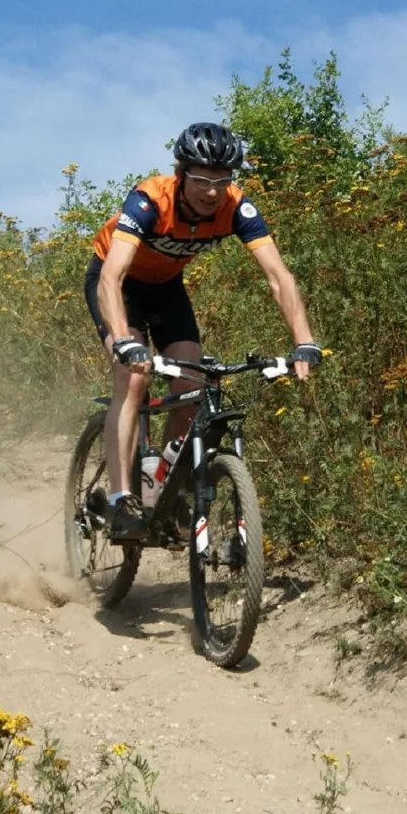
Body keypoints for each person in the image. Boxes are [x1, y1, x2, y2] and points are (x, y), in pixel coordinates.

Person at [85, 121, 322, 540]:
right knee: (133, 376)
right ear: (180, 174)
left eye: (221, 180)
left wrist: (304, 341)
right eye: (200, 180)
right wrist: (123, 340)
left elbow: (277, 276)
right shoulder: (149, 200)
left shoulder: (236, 206)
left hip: (166, 288)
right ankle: (122, 500)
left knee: (191, 379)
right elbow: (112, 276)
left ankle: (161, 481)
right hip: (117, 284)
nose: (211, 191)